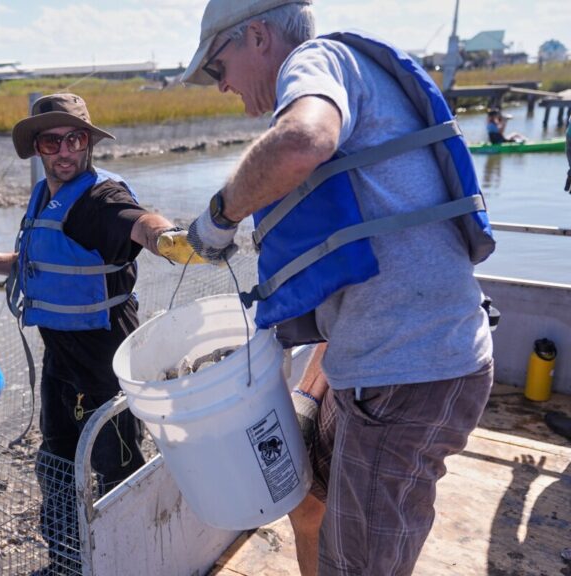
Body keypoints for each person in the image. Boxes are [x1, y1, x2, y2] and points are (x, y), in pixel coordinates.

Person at [181, 2, 496, 575]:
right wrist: (312, 389)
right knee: (308, 498)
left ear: (258, 36)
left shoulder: (315, 59)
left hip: (407, 373)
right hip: (378, 364)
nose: (221, 84)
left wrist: (219, 217)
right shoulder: (348, 76)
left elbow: (303, 140)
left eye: (216, 67)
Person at [0, 93, 198, 575]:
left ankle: (130, 563)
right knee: (55, 461)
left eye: (74, 139)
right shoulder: (45, 194)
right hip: (60, 361)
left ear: (89, 142)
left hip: (105, 364)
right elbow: (45, 262)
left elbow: (139, 223)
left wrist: (168, 239)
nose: (64, 151)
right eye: (51, 142)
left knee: (118, 469)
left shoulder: (102, 199)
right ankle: (68, 561)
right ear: (37, 148)